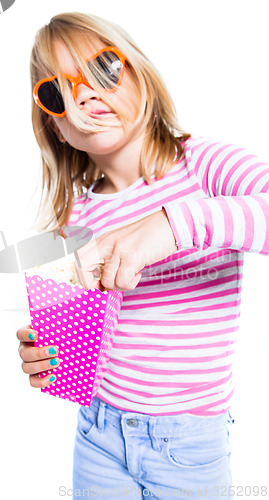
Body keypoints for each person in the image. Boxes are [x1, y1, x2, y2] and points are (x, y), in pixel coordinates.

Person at [16, 12, 269, 499]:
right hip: (98, 435)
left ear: (142, 75)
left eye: (104, 69)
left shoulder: (204, 166)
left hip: (189, 446)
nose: (85, 94)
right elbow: (82, 348)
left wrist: (174, 224)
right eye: (57, 91)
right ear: (57, 128)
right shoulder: (76, 218)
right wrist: (46, 353)